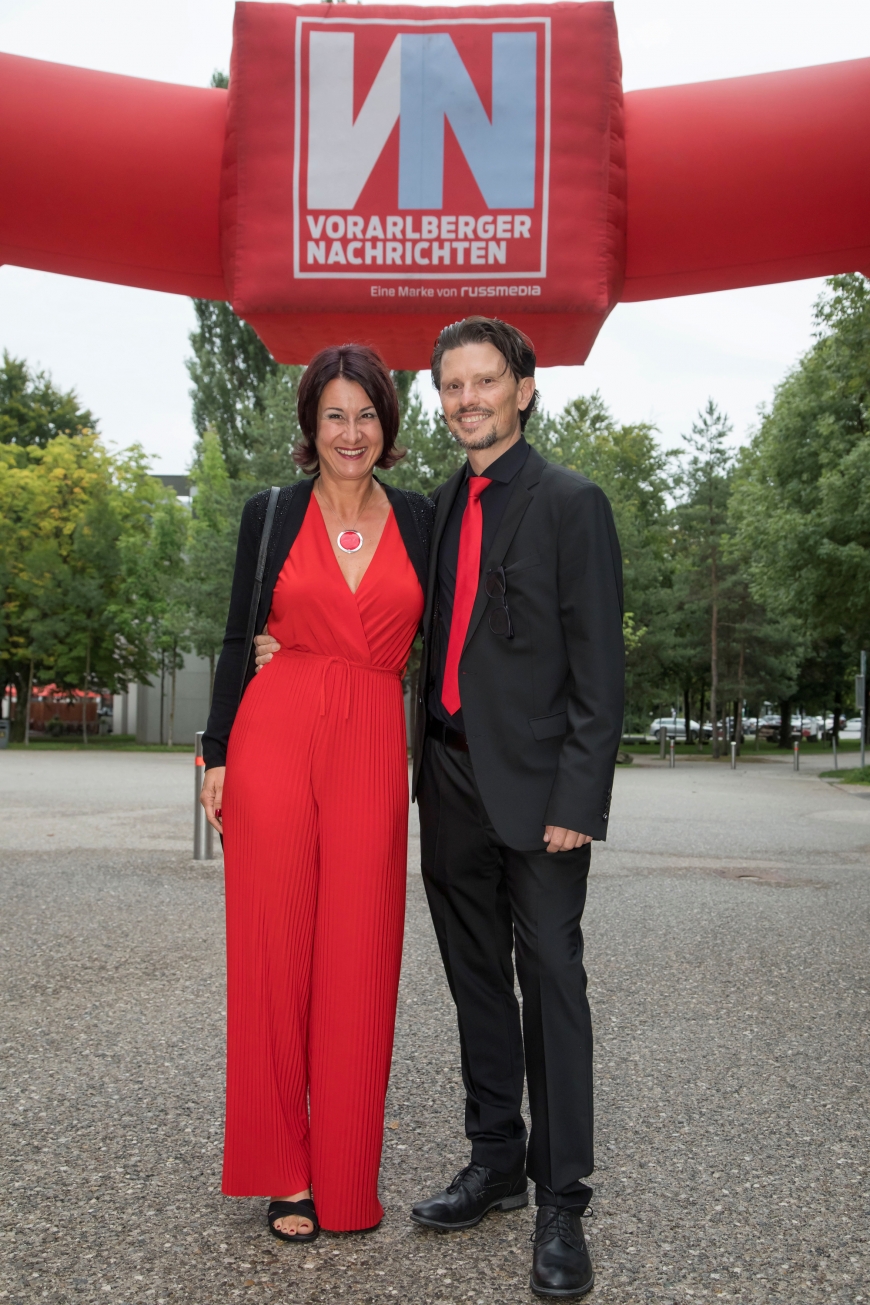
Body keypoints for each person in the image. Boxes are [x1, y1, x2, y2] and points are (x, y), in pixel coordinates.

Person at [255, 316, 624, 1298]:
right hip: (446, 778)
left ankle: (561, 1199)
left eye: (486, 381)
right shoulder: (430, 507)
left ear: (525, 390)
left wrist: (579, 797)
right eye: (452, 384)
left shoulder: (572, 503)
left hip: (542, 793)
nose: (468, 398)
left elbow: (600, 671)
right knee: (473, 983)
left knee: (550, 981)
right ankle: (496, 1158)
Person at [200, 344, 434, 1242]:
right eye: (334, 414)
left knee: (361, 956)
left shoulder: (421, 517)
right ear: (310, 425)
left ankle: (345, 1176)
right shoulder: (269, 515)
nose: (350, 431)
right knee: (272, 953)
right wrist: (216, 751)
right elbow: (234, 638)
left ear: (387, 424)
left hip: (374, 741)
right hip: (275, 734)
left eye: (366, 413)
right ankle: (285, 1173)